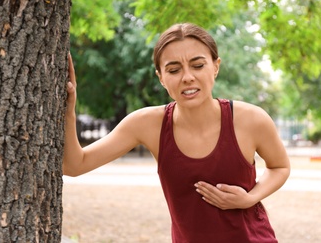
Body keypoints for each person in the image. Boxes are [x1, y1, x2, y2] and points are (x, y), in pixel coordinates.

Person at [64, 22, 290, 242]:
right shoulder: (146, 124)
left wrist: (250, 198)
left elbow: (280, 167)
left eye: (198, 65)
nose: (187, 77)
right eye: (173, 70)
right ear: (161, 77)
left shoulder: (251, 119)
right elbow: (75, 165)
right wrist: (68, 112)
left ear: (216, 67)